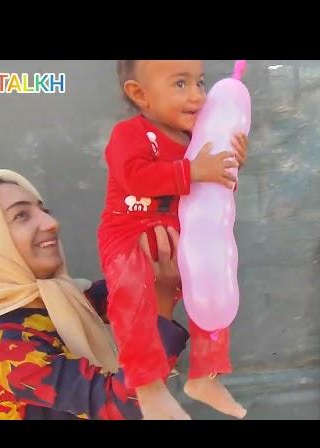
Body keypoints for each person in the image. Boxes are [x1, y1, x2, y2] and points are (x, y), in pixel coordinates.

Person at [97, 60, 248, 420]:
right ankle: (148, 387)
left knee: (217, 284)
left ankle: (205, 374)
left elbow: (212, 198)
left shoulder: (200, 140)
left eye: (200, 82)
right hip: (130, 239)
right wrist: (194, 170)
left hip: (181, 241)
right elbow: (134, 177)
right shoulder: (129, 134)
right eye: (181, 84)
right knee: (134, 300)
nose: (197, 95)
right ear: (140, 95)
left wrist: (229, 167)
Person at [0, 169, 189, 420]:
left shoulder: (60, 300)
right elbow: (120, 406)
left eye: (44, 211)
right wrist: (161, 304)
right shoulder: (1, 347)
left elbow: (132, 290)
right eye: (21, 215)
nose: (51, 223)